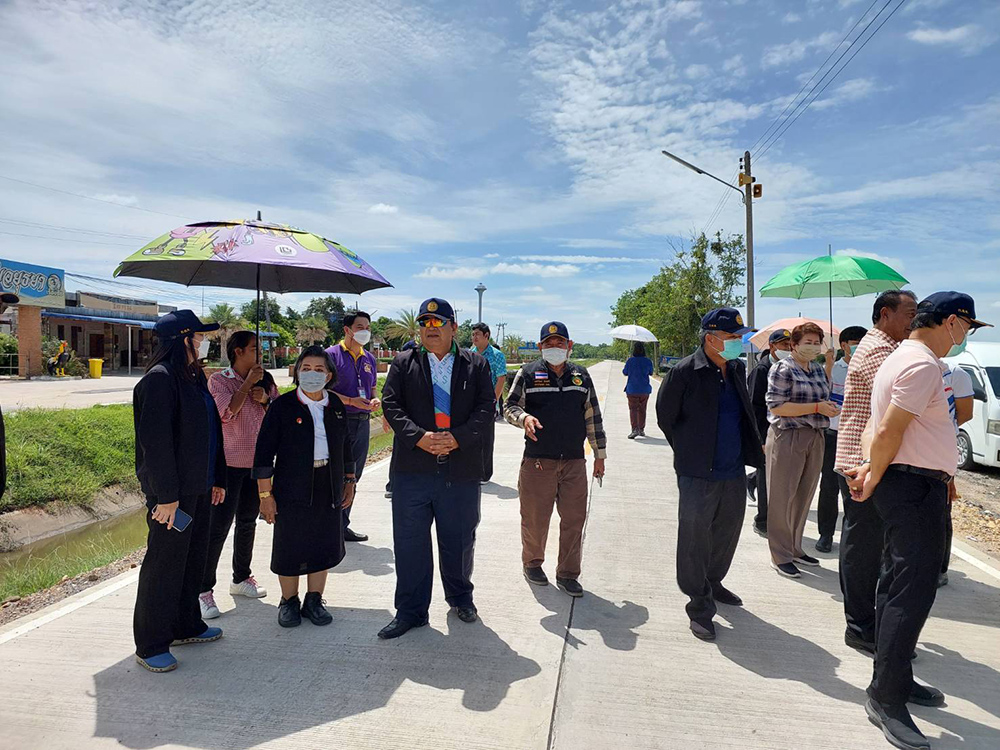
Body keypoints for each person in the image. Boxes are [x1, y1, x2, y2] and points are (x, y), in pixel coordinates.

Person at [848, 292, 989, 750]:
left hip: (912, 483)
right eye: (967, 327)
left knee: (895, 585)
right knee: (910, 594)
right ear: (951, 322)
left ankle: (894, 679)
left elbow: (877, 425)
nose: (965, 337)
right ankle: (886, 699)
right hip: (912, 488)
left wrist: (873, 469)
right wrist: (873, 475)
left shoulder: (901, 358)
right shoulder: (922, 364)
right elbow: (887, 429)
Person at [378, 298, 495, 639]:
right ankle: (411, 611)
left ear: (454, 328)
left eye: (437, 322)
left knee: (459, 540)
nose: (430, 328)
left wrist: (458, 438)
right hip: (412, 470)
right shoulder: (404, 362)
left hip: (460, 470)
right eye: (424, 323)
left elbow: (486, 407)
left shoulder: (475, 364)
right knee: (410, 544)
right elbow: (391, 404)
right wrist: (419, 438)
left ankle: (461, 598)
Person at [656, 308, 764, 641]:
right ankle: (699, 605)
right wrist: (690, 451)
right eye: (732, 337)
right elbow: (665, 417)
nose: (737, 343)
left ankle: (713, 582)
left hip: (733, 468)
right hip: (698, 471)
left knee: (726, 533)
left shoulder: (736, 368)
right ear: (710, 338)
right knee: (694, 538)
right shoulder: (684, 372)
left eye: (739, 337)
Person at [131, 310, 227, 673]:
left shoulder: (194, 376)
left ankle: (186, 624)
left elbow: (211, 431)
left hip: (199, 488)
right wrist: (167, 496)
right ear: (183, 340)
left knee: (192, 561)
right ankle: (151, 643)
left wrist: (217, 478)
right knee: (164, 566)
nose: (203, 342)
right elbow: (155, 445)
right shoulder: (159, 380)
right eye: (199, 337)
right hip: (172, 496)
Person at [835, 290, 918, 655]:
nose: (914, 321)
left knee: (873, 545)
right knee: (864, 547)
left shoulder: (889, 347)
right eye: (909, 314)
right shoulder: (878, 351)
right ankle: (860, 626)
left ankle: (870, 623)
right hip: (862, 460)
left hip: (873, 459)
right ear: (885, 314)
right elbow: (897, 398)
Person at [253, 346, 356, 628]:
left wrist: (349, 480)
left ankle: (314, 600)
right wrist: (265, 495)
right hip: (291, 485)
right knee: (290, 543)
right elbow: (263, 454)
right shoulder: (282, 406)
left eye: (319, 369)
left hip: (328, 482)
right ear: (297, 372)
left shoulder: (335, 405)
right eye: (306, 368)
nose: (312, 374)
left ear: (329, 375)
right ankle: (289, 601)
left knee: (323, 541)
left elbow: (345, 445)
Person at [505, 321, 607, 597]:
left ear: (569, 345)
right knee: (535, 519)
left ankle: (568, 573)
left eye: (559, 342)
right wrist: (523, 418)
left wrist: (599, 455)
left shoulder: (581, 376)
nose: (554, 347)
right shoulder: (528, 373)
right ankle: (532, 563)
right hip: (538, 462)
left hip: (574, 462)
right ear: (540, 347)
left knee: (574, 519)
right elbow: (509, 406)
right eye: (548, 343)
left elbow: (593, 416)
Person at [198, 332, 278, 619]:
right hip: (228, 466)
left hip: (256, 466)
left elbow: (277, 416)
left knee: (247, 523)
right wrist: (246, 385)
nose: (260, 353)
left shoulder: (266, 380)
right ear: (238, 351)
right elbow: (226, 413)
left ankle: (241, 577)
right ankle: (203, 590)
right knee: (218, 527)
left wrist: (265, 399)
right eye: (255, 348)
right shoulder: (219, 381)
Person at [765, 322, 839, 579]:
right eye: (807, 342)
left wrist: (826, 407)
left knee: (804, 494)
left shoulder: (816, 368)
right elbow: (777, 406)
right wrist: (816, 408)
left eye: (816, 342)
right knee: (782, 497)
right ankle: (780, 554)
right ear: (794, 345)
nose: (813, 347)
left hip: (815, 435)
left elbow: (822, 396)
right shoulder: (782, 369)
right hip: (789, 436)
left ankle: (795, 547)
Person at [326, 311, 380, 543]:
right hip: (338, 422)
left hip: (362, 422)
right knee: (335, 473)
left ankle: (342, 524)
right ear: (347, 330)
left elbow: (373, 389)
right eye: (360, 327)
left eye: (367, 327)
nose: (365, 331)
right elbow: (322, 390)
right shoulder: (331, 356)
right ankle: (328, 524)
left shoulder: (369, 359)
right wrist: (349, 401)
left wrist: (375, 400)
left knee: (354, 475)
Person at [815, 325, 868, 553]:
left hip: (859, 438)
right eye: (855, 343)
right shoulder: (833, 369)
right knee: (828, 487)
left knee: (854, 489)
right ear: (844, 345)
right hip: (833, 434)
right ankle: (825, 535)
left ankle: (852, 538)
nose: (860, 347)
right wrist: (828, 365)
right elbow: (821, 392)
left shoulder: (871, 368)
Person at [746, 329, 792, 536]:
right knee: (767, 479)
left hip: (786, 432)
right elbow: (754, 406)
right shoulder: (762, 370)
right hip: (767, 432)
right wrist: (761, 438)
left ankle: (751, 480)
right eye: (783, 345)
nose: (787, 349)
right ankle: (762, 521)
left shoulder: (790, 367)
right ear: (772, 346)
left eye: (790, 345)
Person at [940, 363, 974, 587]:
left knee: (941, 512)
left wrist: (939, 429)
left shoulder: (955, 373)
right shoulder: (908, 363)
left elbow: (965, 414)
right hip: (907, 450)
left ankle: (939, 569)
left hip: (941, 450)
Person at [471, 322, 507, 482]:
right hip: (471, 403)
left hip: (487, 402)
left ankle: (485, 474)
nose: (474, 337)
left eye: (477, 334)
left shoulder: (496, 355)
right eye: (473, 334)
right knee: (471, 438)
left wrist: (493, 402)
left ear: (487, 336)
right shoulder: (470, 353)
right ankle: (472, 470)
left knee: (486, 439)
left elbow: (501, 378)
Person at [623, 342, 654, 439]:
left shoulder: (630, 361)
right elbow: (651, 372)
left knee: (633, 410)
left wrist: (628, 362)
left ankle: (634, 429)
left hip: (632, 389)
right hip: (644, 389)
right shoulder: (648, 361)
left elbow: (625, 372)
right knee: (642, 409)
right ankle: (641, 429)